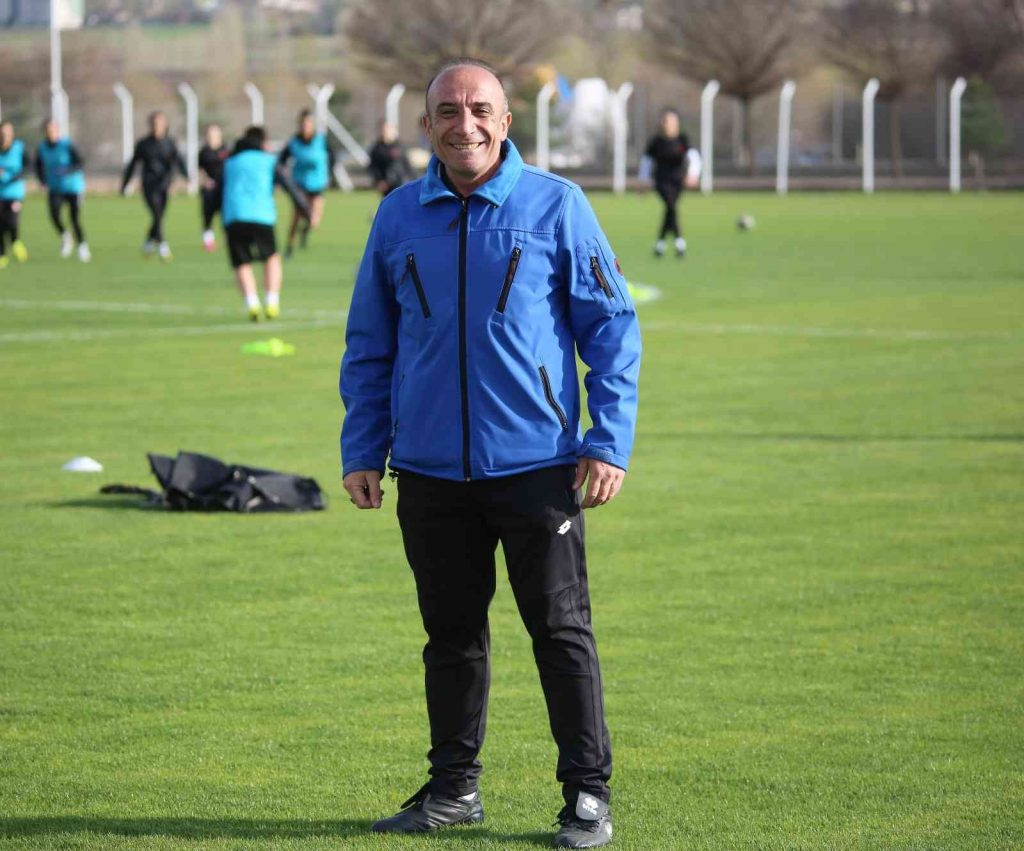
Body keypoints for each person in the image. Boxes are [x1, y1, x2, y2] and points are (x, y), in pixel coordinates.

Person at [340, 58, 640, 849]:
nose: (463, 123)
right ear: (426, 125)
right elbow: (370, 342)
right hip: (429, 472)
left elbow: (612, 328)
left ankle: (587, 795)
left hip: (538, 468)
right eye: (447, 110)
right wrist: (363, 446)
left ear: (506, 122)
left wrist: (608, 439)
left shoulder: (557, 205)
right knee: (450, 637)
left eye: (479, 109)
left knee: (561, 631)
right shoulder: (397, 216)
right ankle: (452, 790)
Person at [221, 125, 309, 321]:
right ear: (262, 142)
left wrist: (207, 224)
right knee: (271, 258)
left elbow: (216, 194)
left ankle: (252, 302)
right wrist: (305, 209)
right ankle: (272, 301)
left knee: (241, 262)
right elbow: (289, 186)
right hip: (262, 215)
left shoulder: (230, 162)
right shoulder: (268, 161)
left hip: (234, 215)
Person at [120, 110, 188, 262]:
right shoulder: (144, 144)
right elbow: (133, 164)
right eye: (155, 123)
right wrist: (125, 184)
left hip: (164, 185)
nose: (157, 126)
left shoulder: (170, 143)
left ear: (165, 125)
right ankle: (163, 245)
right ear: (150, 125)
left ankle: (149, 242)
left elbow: (178, 161)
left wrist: (186, 176)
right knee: (157, 214)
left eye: (160, 123)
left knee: (160, 216)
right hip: (149, 185)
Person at [640, 108, 701, 259]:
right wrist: (644, 179)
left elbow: (694, 157)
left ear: (676, 123)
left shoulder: (682, 140)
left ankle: (660, 244)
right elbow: (646, 161)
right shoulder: (656, 142)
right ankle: (680, 242)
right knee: (671, 206)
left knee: (670, 209)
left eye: (669, 121)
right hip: (661, 181)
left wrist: (692, 175)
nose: (666, 123)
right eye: (664, 121)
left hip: (678, 181)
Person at [277, 109, 334, 258]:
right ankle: (289, 246)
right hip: (299, 185)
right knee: (296, 217)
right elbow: (281, 161)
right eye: (303, 124)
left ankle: (305, 232)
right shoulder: (294, 142)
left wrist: (329, 174)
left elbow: (332, 157)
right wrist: (283, 176)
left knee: (314, 220)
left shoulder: (321, 141)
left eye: (308, 123)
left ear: (313, 125)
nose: (306, 126)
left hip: (317, 184)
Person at [35, 119, 90, 262]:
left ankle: (82, 246)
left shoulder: (67, 145)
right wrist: (42, 180)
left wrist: (67, 170)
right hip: (55, 187)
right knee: (54, 215)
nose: (51, 133)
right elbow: (38, 166)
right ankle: (66, 236)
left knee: (74, 218)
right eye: (48, 130)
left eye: (53, 130)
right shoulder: (42, 148)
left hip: (73, 187)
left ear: (58, 131)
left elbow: (80, 162)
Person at [0, 121, 29, 269]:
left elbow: (27, 165)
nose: (6, 135)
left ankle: (15, 241)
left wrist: (15, 176)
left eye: (8, 132)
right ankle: (2, 254)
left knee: (11, 220)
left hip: (14, 193)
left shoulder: (19, 147)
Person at [198, 123, 228, 252]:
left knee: (225, 214)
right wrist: (205, 180)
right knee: (208, 215)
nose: (212, 137)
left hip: (223, 188)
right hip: (209, 189)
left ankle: (228, 238)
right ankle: (208, 241)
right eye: (210, 134)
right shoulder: (204, 152)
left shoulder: (226, 150)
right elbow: (200, 169)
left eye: (215, 134)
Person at [367, 119, 413, 197]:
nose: (386, 132)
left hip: (401, 183)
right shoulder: (377, 149)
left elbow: (406, 165)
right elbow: (373, 167)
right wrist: (379, 181)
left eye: (389, 129)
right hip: (386, 186)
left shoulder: (400, 146)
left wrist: (413, 179)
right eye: (384, 130)